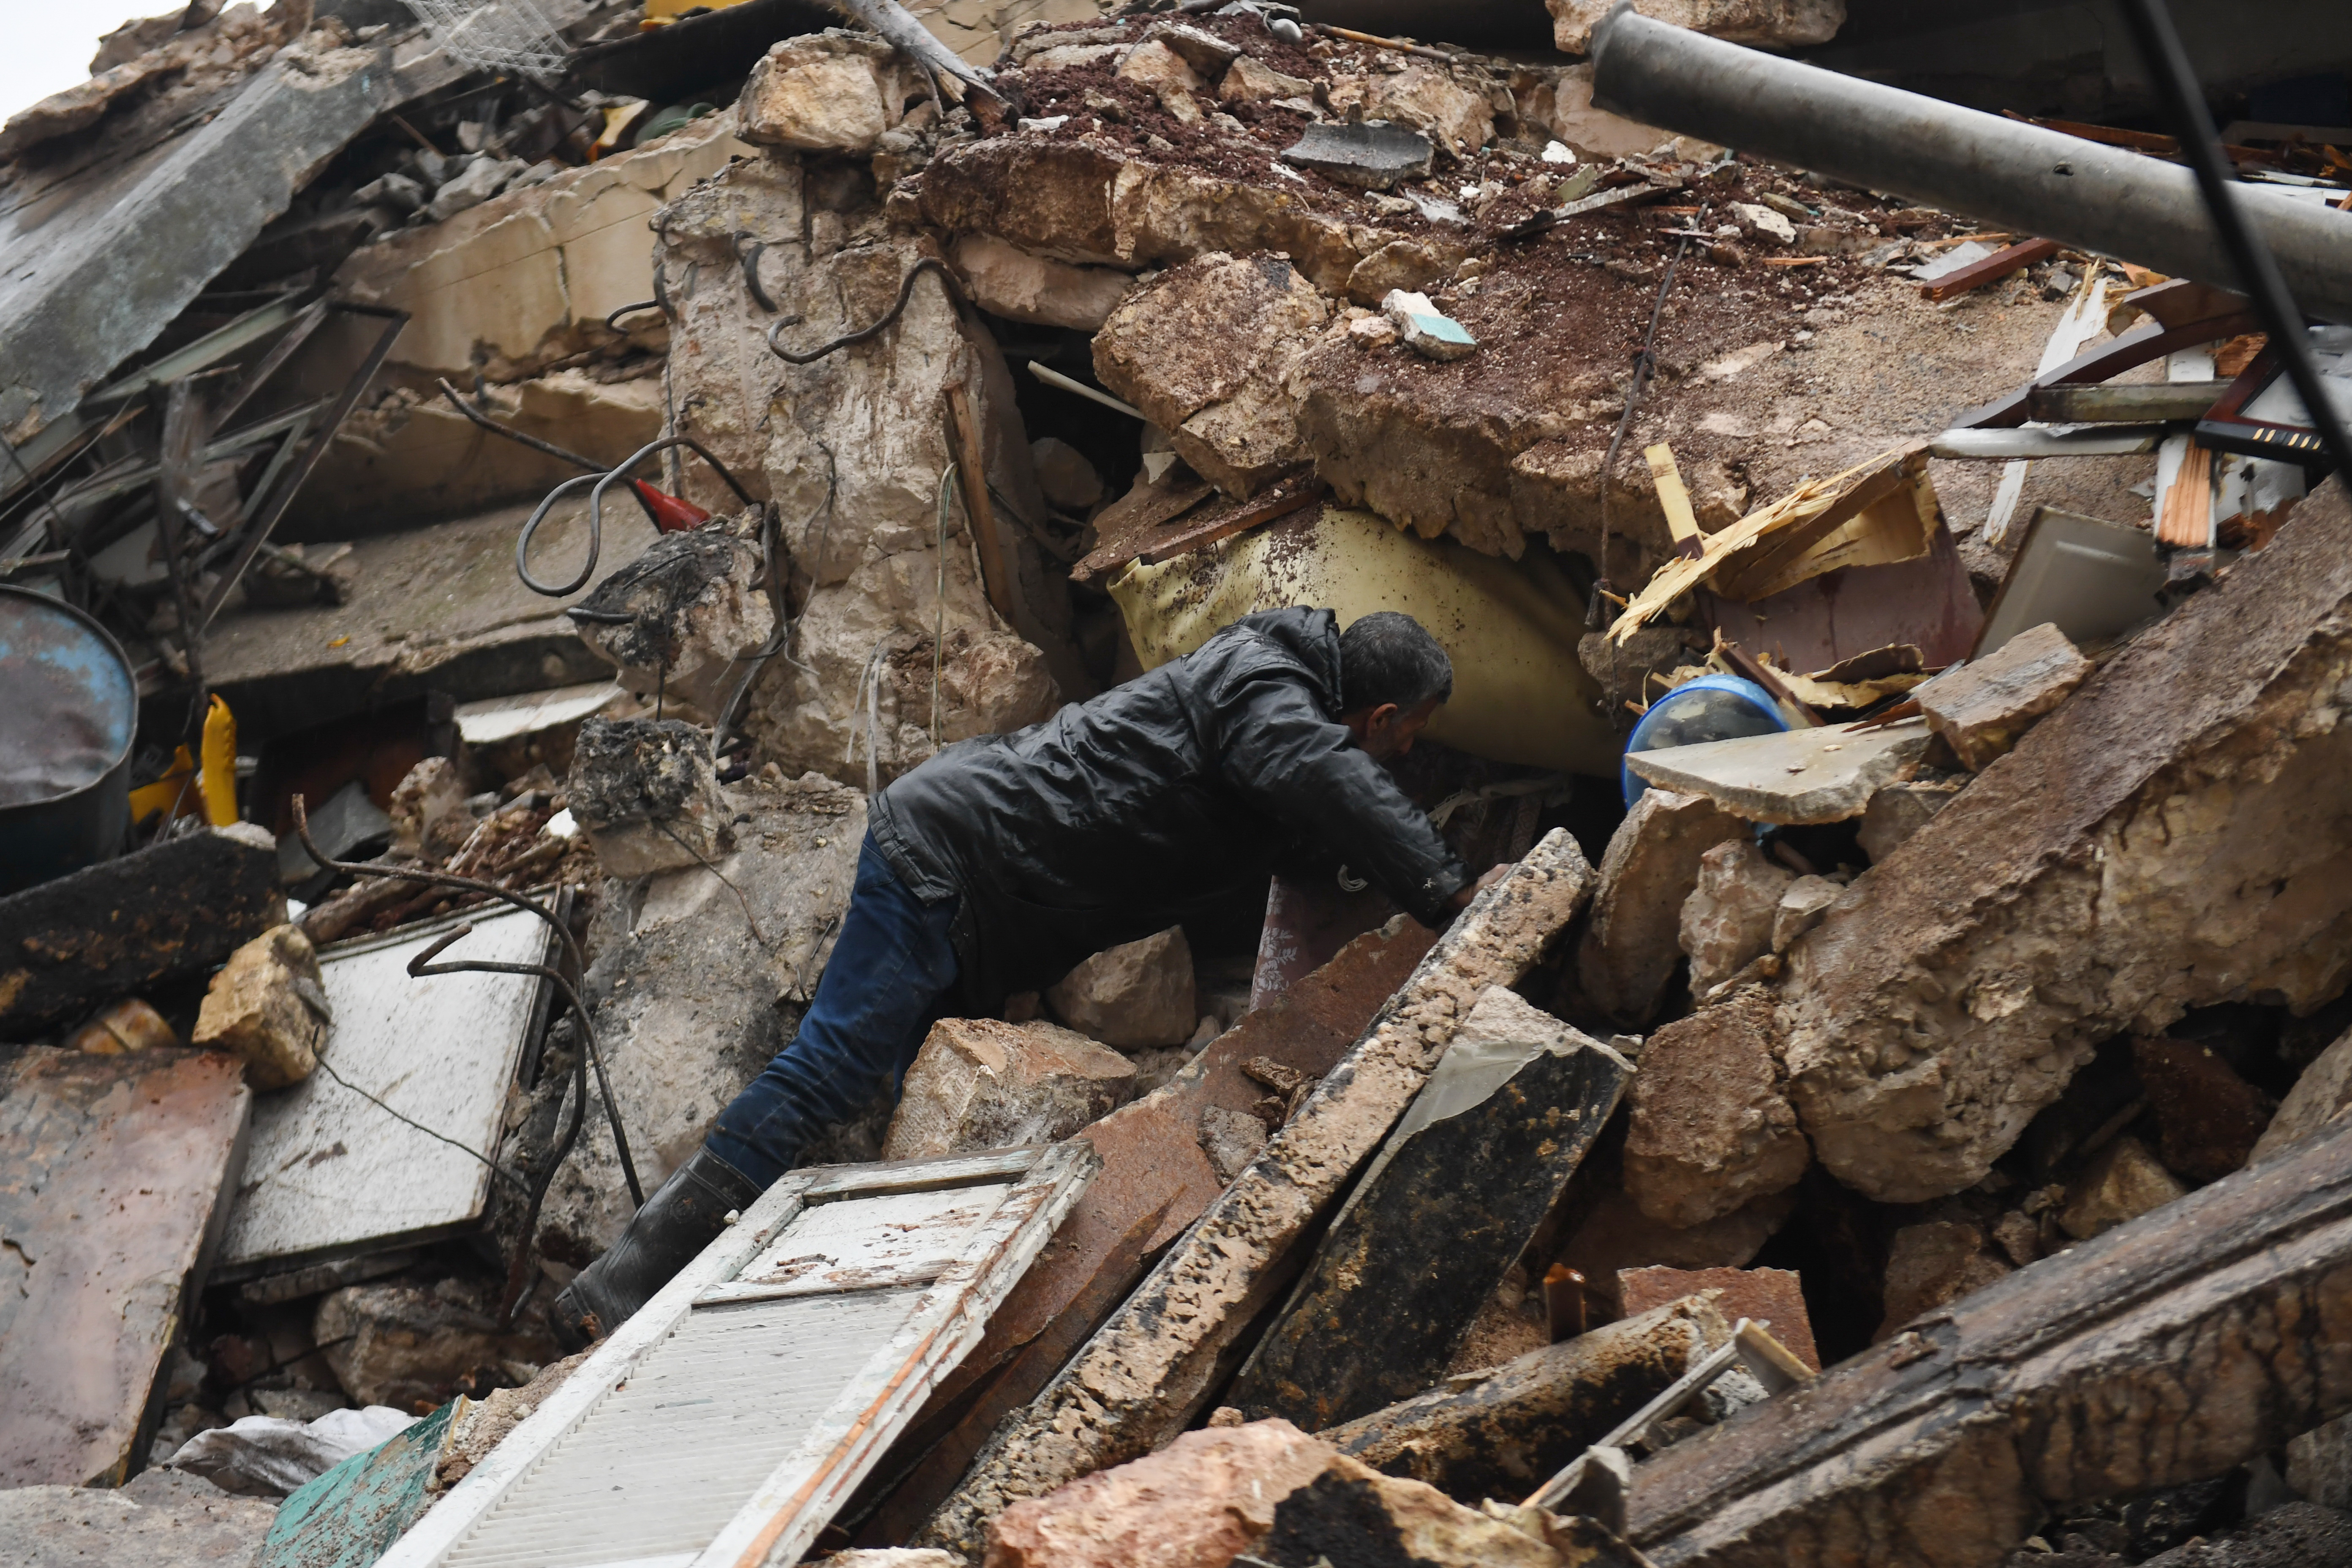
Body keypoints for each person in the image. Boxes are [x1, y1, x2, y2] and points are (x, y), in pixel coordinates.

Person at [553, 606, 1479, 1346]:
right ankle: (618, 1285)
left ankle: (783, 1296)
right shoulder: (1269, 695)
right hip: (950, 854)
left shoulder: (1270, 707)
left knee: (886, 1093)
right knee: (831, 1066)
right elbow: (1329, 777)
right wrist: (1451, 893)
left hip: (978, 885)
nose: (1401, 756)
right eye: (1408, 738)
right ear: (1382, 716)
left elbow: (1295, 817)